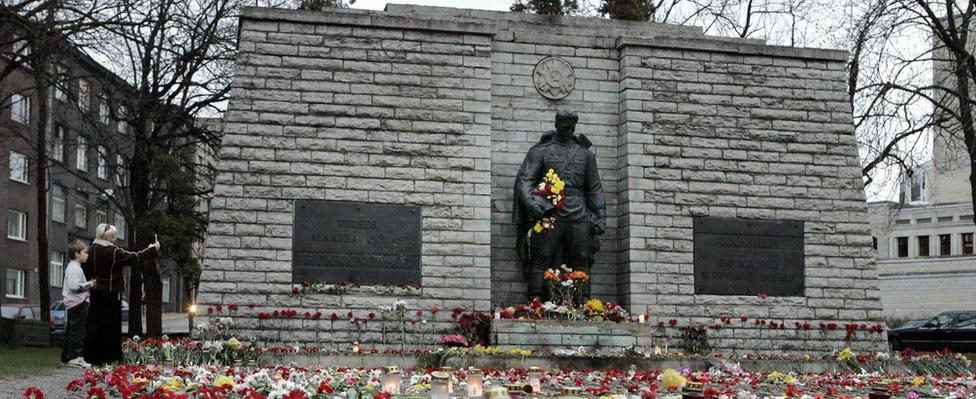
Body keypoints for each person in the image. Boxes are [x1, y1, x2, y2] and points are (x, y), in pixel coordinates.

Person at [513, 110, 607, 302]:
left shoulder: (586, 155)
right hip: (549, 212)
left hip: (579, 213)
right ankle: (535, 302)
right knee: (541, 258)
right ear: (557, 125)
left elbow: (594, 188)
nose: (567, 130)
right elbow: (524, 181)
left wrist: (600, 214)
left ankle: (584, 302)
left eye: (571, 127)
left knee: (581, 259)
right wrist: (531, 204)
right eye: (564, 126)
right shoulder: (541, 151)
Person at [83, 223, 160, 366]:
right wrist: (152, 249)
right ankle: (109, 356)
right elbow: (134, 258)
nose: (115, 239)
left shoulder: (91, 250)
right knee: (111, 325)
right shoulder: (113, 252)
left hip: (95, 291)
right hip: (111, 292)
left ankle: (91, 355)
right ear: (109, 237)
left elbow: (85, 269)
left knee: (95, 324)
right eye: (114, 236)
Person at [61, 240, 95, 368]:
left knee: (71, 329)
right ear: (77, 254)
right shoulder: (75, 268)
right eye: (85, 252)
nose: (87, 255)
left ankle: (67, 356)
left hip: (74, 303)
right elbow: (75, 287)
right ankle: (75, 357)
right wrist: (90, 284)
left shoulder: (73, 267)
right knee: (78, 330)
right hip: (77, 303)